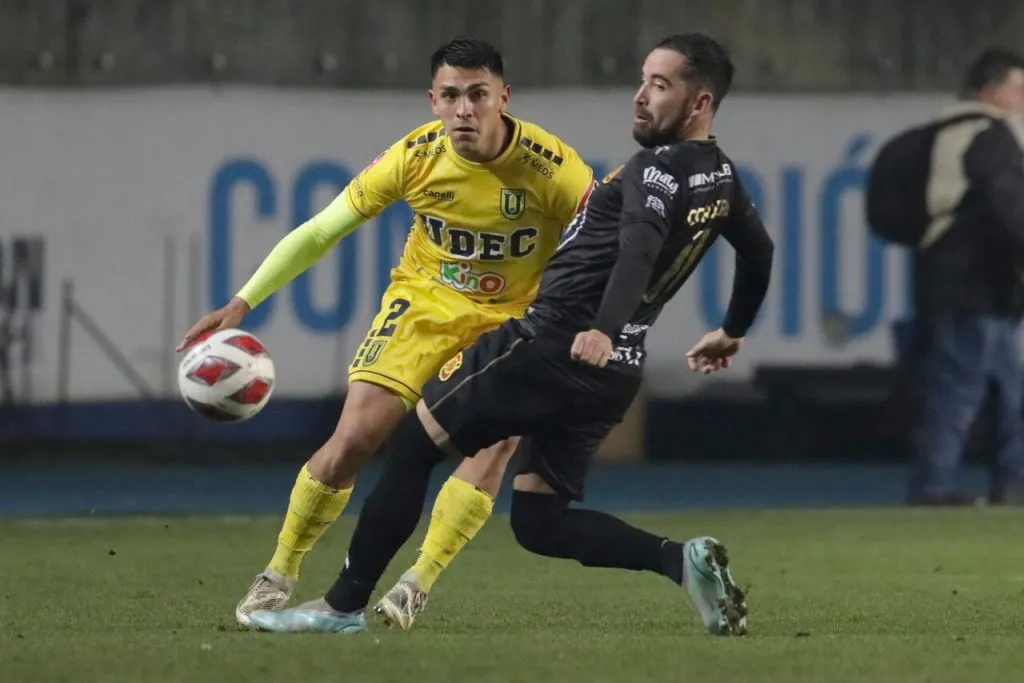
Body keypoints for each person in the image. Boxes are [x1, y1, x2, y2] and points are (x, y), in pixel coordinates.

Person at [249, 32, 773, 637]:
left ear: (699, 102)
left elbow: (637, 248)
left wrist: (600, 328)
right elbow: (759, 252)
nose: (640, 97)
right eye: (642, 81)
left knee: (413, 446)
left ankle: (341, 607)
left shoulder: (653, 170)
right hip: (614, 373)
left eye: (659, 86)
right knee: (540, 522)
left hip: (552, 345)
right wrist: (732, 330)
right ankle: (680, 561)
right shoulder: (723, 176)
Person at [176, 38, 595, 627]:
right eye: (451, 96)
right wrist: (242, 302)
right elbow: (322, 231)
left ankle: (418, 580)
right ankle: (279, 571)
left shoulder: (556, 169)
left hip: (514, 317)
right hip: (424, 303)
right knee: (354, 438)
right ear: (432, 101)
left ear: (504, 97)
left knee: (492, 442)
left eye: (478, 95)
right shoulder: (415, 157)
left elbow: (610, 247)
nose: (464, 109)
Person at [876, 49, 1024, 506]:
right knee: (958, 393)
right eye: (1018, 89)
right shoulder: (988, 135)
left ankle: (1011, 484)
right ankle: (934, 486)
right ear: (990, 90)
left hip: (959, 287)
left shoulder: (943, 133)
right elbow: (1006, 210)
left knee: (1005, 392)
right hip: (973, 288)